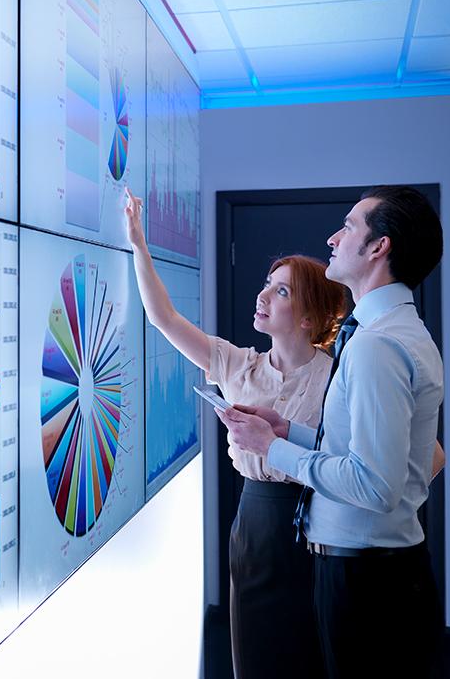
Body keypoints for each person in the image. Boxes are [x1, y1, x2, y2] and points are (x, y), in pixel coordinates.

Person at [218, 185, 446, 678]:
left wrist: (274, 448)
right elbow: (378, 457)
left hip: (366, 580)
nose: (332, 237)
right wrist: (291, 432)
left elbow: (374, 484)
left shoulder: (376, 346)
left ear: (379, 247)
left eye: (348, 227)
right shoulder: (396, 332)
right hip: (379, 572)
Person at [123, 189, 339, 678]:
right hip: (253, 525)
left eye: (280, 291)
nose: (262, 296)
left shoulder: (337, 378)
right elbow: (164, 318)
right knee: (255, 653)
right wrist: (139, 244)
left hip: (317, 526)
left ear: (307, 318)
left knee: (310, 653)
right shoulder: (236, 364)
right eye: (267, 284)